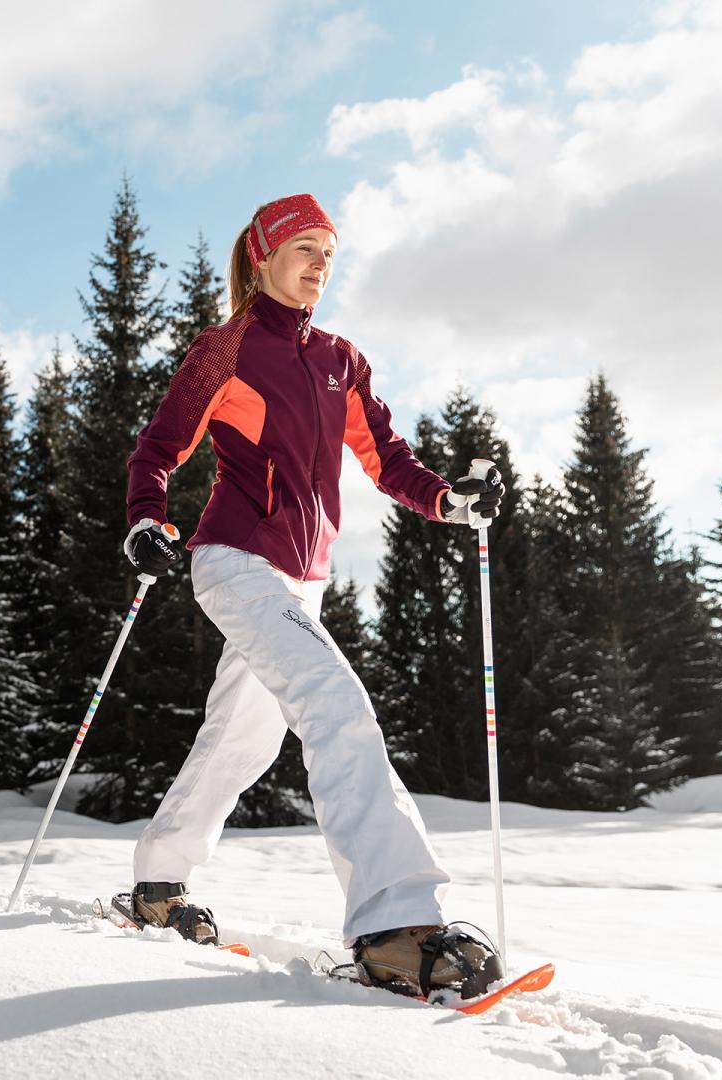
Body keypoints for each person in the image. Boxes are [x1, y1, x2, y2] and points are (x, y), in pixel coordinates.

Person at [119, 194, 508, 1000]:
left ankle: (158, 885)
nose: (320, 266)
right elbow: (159, 448)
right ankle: (396, 924)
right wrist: (145, 520)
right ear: (263, 255)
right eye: (305, 249)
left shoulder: (341, 360)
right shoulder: (225, 349)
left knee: (243, 739)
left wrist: (450, 500)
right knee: (334, 699)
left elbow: (388, 458)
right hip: (234, 559)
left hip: (306, 577)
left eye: (329, 253)